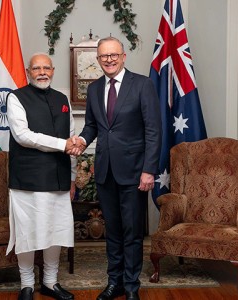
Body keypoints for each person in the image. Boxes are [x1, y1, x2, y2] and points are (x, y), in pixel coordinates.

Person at [75, 37, 161, 300]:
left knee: (132, 232)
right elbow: (92, 126)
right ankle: (115, 283)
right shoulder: (94, 89)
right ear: (98, 60)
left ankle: (132, 285)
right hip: (105, 171)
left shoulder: (142, 85)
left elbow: (153, 131)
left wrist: (149, 170)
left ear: (123, 56)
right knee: (112, 231)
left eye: (113, 55)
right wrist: (81, 139)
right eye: (103, 56)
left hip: (135, 172)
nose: (109, 60)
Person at [6, 53, 80, 300]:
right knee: (27, 232)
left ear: (53, 70)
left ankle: (50, 282)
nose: (42, 72)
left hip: (58, 178)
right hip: (27, 179)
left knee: (55, 231)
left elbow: (71, 136)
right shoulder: (15, 97)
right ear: (28, 71)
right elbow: (23, 136)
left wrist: (71, 178)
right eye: (36, 68)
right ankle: (26, 284)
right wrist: (63, 144)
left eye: (46, 68)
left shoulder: (62, 99)